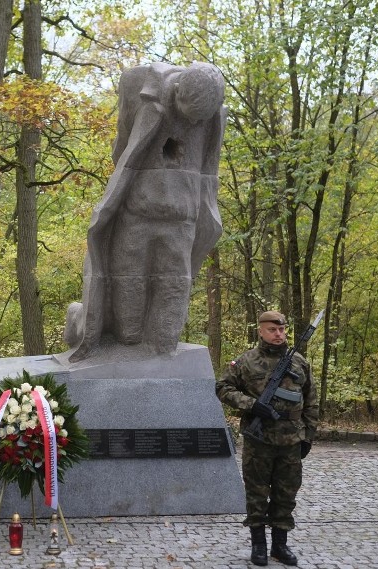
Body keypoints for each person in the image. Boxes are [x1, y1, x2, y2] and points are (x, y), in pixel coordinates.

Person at [66, 61, 226, 362]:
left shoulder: (214, 116)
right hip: (135, 216)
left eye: (199, 120)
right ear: (176, 90)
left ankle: (160, 353)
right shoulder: (139, 86)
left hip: (182, 223)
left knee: (170, 311)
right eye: (187, 116)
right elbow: (123, 146)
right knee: (128, 323)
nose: (192, 126)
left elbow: (210, 171)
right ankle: (80, 320)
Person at [215, 311, 318, 566]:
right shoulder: (246, 361)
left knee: (286, 494)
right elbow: (222, 387)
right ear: (261, 330)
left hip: (291, 439)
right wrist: (251, 405)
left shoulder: (299, 363)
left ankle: (280, 546)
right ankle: (259, 545)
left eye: (282, 330)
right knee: (257, 493)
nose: (278, 334)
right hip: (259, 440)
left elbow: (312, 401)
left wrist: (308, 436)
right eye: (272, 330)